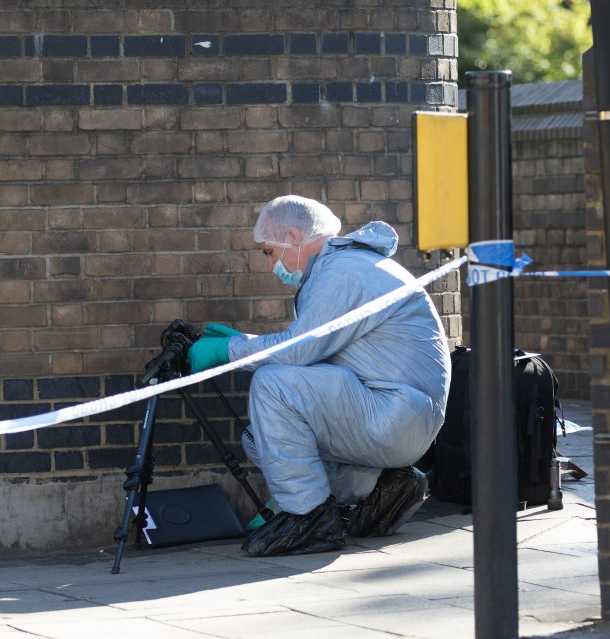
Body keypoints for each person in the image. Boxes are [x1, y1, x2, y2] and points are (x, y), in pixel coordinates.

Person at [187, 195, 451, 556]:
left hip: (393, 413)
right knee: (258, 439)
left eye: (268, 252)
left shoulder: (342, 271)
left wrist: (227, 352)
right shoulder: (347, 267)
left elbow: (299, 349)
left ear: (293, 236)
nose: (270, 265)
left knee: (273, 386)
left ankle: (308, 517)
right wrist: (243, 342)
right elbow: (311, 349)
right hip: (395, 412)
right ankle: (379, 486)